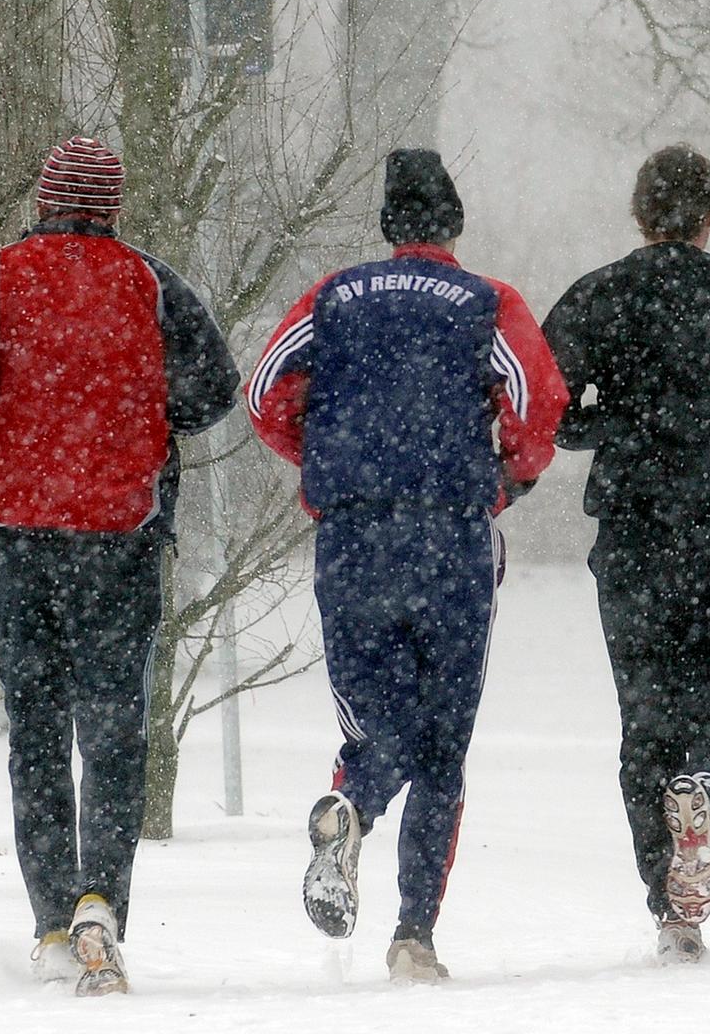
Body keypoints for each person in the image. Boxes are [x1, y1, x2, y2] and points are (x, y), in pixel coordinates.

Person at [0, 135, 239, 996]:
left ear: (43, 199)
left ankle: (52, 921)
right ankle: (103, 899)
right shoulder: (151, 280)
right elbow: (216, 386)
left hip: (18, 531)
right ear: (112, 206)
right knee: (112, 723)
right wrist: (144, 416)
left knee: (34, 727)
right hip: (121, 532)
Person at [246, 148, 567, 984]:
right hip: (451, 540)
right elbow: (538, 402)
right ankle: (414, 935)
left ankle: (352, 803)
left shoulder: (335, 296)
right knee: (445, 744)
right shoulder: (486, 300)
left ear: (387, 229)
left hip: (352, 538)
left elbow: (264, 392)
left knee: (376, 723)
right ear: (452, 227)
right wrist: (510, 475)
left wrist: (322, 460)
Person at [541, 145, 710, 964]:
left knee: (647, 724)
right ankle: (704, 795)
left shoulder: (601, 294)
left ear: (639, 213)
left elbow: (549, 404)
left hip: (634, 537)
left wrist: (616, 429)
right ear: (709, 218)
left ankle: (671, 904)